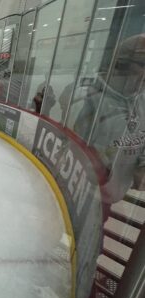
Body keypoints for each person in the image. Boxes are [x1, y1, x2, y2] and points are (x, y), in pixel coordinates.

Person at [72, 33, 145, 204]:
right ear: (121, 64)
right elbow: (74, 150)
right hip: (83, 196)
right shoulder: (90, 99)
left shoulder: (142, 99)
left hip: (112, 197)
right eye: (143, 64)